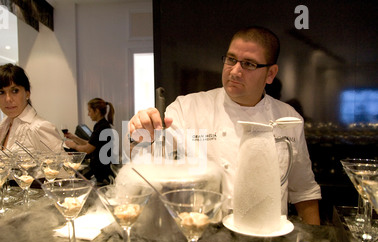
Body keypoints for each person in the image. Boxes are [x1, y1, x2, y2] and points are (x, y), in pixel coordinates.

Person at [128, 26, 321, 225]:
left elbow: (304, 191)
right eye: (231, 59)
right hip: (202, 233)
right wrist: (141, 135)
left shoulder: (289, 118)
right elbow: (150, 155)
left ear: (270, 74)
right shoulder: (188, 108)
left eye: (249, 64)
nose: (235, 71)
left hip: (267, 237)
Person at [0, 64, 63, 154]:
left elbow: (63, 166)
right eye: (1, 92)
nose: (8, 99)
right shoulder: (4, 124)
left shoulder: (39, 128)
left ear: (27, 93)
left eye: (15, 91)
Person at [64, 98, 116, 185]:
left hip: (101, 173)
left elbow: (87, 149)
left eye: (89, 111)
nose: (88, 114)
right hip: (100, 170)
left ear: (97, 111)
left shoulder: (101, 127)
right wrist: (74, 138)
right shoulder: (102, 125)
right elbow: (90, 144)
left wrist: (74, 146)